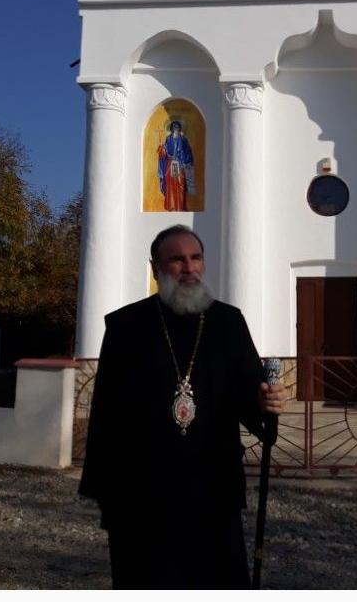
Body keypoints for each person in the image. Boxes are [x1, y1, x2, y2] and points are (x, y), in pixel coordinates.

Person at [79, 225, 285, 589]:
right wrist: (106, 495)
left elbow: (249, 393)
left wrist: (264, 402)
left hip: (213, 488)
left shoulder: (228, 322)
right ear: (156, 269)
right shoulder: (126, 327)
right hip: (142, 494)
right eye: (177, 259)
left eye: (196, 258)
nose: (189, 267)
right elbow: (106, 415)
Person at [157, 120, 196, 211]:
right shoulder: (168, 139)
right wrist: (162, 149)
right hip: (170, 165)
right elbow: (164, 154)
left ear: (179, 129)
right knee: (171, 185)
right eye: (174, 128)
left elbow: (188, 152)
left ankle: (180, 207)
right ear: (172, 129)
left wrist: (184, 160)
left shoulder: (183, 139)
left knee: (180, 185)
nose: (176, 129)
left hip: (180, 165)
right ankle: (172, 206)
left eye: (177, 127)